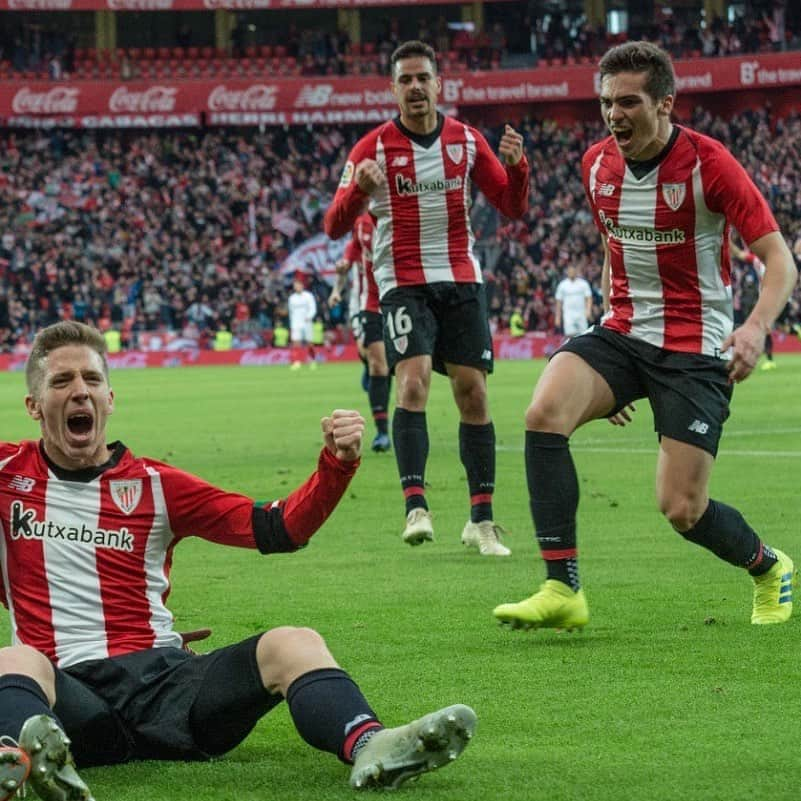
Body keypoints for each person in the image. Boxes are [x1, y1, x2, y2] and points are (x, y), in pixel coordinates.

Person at [0, 321, 477, 801]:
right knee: (15, 660)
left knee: (293, 642)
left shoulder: (158, 485)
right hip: (69, 696)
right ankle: (22, 763)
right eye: (62, 382)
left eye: (92, 380)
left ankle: (373, 744)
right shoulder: (7, 475)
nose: (80, 391)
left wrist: (336, 464)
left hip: (167, 687)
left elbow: (278, 528)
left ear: (109, 398)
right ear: (34, 406)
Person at [493, 41, 798, 630]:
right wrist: (611, 376)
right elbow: (616, 249)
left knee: (682, 509)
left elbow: (779, 260)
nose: (614, 114)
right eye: (606, 102)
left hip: (696, 346)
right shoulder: (595, 165)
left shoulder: (711, 164)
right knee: (543, 411)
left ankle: (768, 566)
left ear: (665, 104)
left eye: (628, 101)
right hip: (624, 332)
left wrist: (756, 327)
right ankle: (562, 586)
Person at [324, 40, 530, 556]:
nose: (416, 87)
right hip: (402, 280)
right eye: (406, 80)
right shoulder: (369, 150)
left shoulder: (465, 140)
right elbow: (333, 226)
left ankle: (481, 521)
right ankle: (416, 506)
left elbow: (510, 206)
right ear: (393, 89)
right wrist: (356, 193)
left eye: (424, 78)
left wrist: (518, 167)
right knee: (412, 383)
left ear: (439, 84)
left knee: (473, 394)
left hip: (461, 276)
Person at [329, 213, 392, 452]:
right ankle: (382, 432)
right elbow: (348, 258)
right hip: (369, 303)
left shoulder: (400, 210)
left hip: (400, 297)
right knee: (377, 363)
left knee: (390, 366)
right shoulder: (361, 222)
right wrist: (337, 290)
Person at [729, 234, 776, 370]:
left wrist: (729, 243)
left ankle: (766, 358)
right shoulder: (758, 262)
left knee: (760, 328)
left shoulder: (758, 261)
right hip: (749, 299)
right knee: (747, 326)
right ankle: (762, 358)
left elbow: (740, 255)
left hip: (758, 300)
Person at [553, 265, 593, 338]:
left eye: (573, 271)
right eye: (570, 271)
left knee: (584, 335)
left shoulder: (583, 284)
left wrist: (588, 311)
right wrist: (557, 317)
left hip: (581, 313)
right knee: (569, 335)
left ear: (576, 272)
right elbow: (558, 302)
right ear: (567, 272)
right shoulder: (562, 285)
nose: (572, 273)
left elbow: (589, 298)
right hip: (568, 314)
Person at [288, 276, 317, 370]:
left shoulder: (308, 296)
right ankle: (297, 362)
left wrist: (309, 317)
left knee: (309, 343)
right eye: (295, 285)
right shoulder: (292, 298)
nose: (297, 287)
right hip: (296, 323)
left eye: (298, 285)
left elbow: (313, 308)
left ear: (302, 286)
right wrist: (292, 323)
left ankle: (312, 360)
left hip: (307, 322)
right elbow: (291, 311)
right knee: (296, 343)